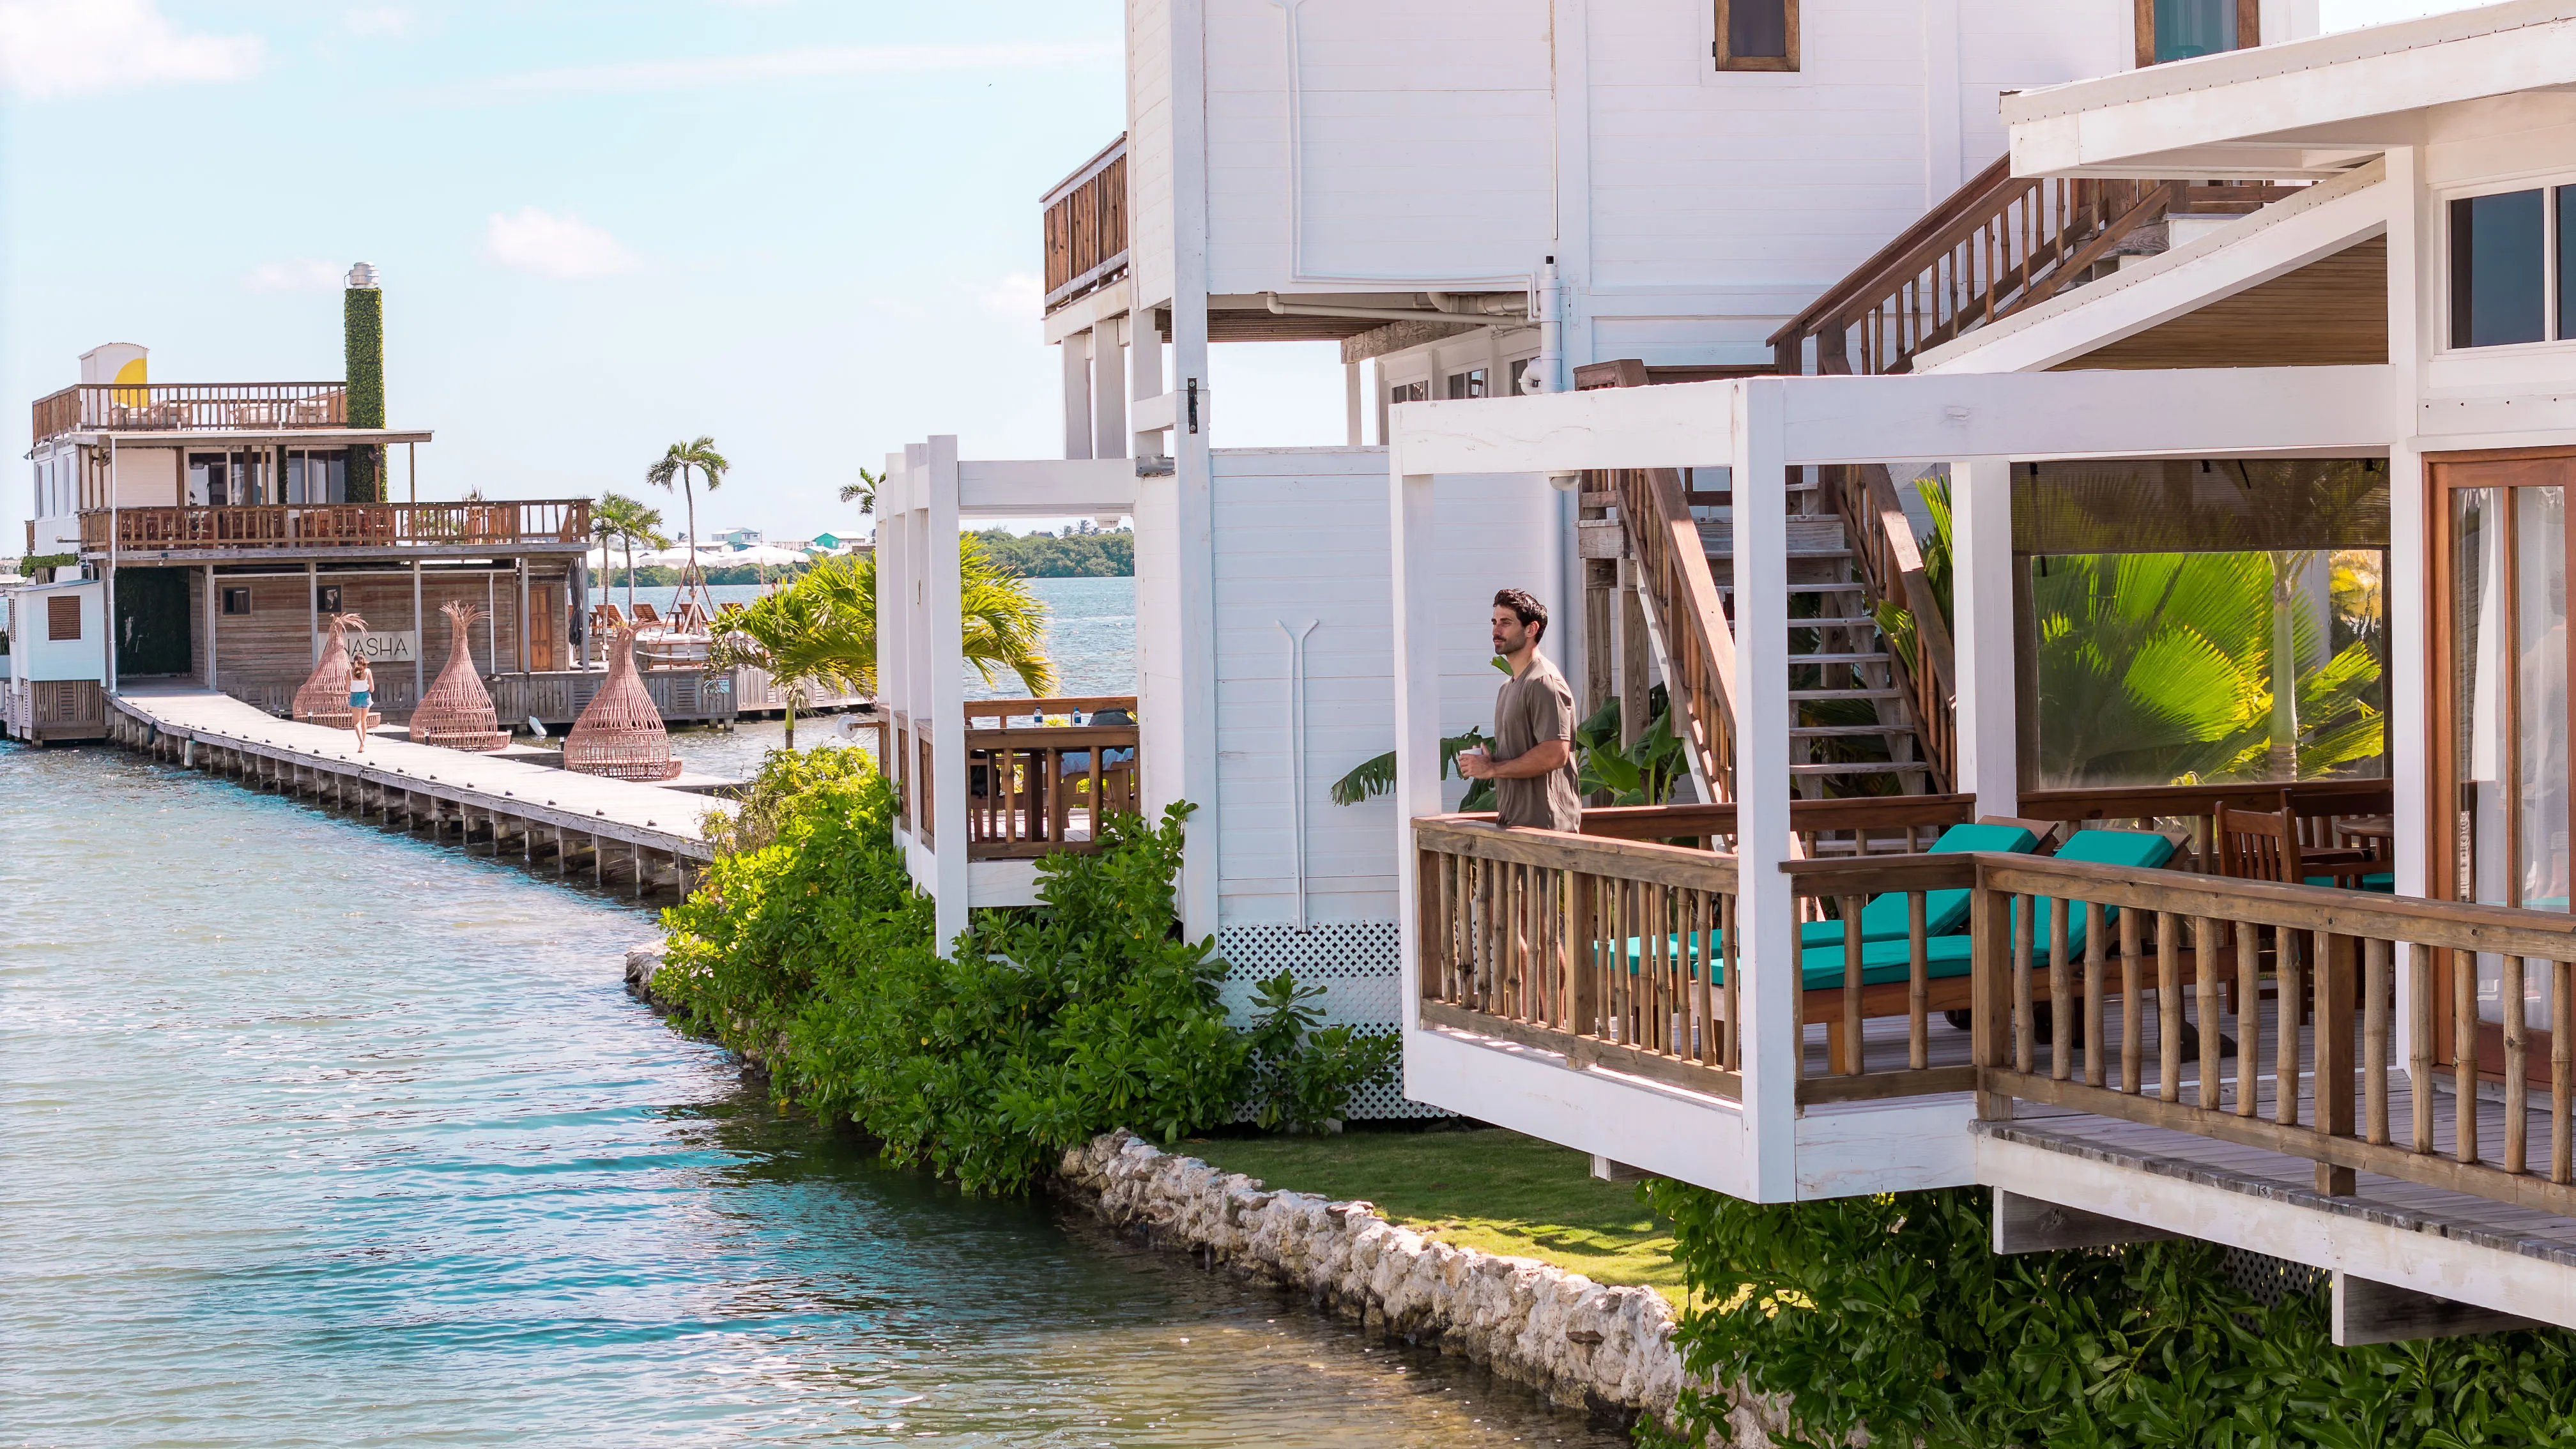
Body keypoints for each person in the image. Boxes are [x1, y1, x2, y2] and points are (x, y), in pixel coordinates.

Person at [1455, 588, 1583, 832]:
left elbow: (1555, 754)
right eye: (1494, 622)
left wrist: (1493, 769)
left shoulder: (1544, 682)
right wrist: (1489, 761)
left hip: (1546, 829)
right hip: (1517, 825)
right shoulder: (1508, 686)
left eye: (1506, 623)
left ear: (1531, 629)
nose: (1496, 631)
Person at [348, 657, 375, 755]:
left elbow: (347, 688)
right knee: (364, 721)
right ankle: (363, 744)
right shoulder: (368, 672)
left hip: (355, 697)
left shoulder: (350, 672)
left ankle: (361, 742)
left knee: (357, 723)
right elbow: (372, 689)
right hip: (365, 696)